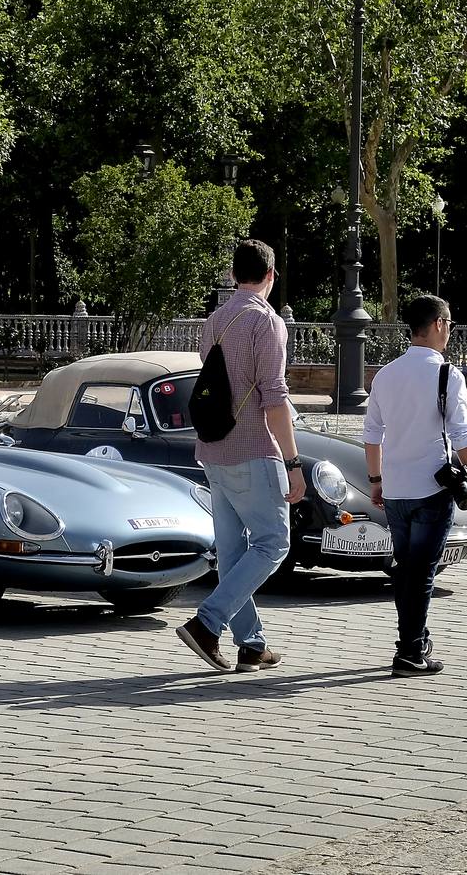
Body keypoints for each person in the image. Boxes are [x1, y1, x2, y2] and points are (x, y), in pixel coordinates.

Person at [176, 239, 306, 673]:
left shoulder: (214, 320)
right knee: (273, 543)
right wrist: (293, 463)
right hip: (254, 449)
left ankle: (252, 645)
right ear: (272, 275)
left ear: (233, 275)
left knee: (233, 553)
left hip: (212, 449)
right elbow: (274, 398)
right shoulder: (266, 322)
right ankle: (207, 623)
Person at [363, 294, 467, 677]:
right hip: (432, 488)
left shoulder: (386, 374)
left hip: (396, 488)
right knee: (422, 572)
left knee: (407, 569)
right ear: (437, 324)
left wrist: (376, 481)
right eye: (449, 323)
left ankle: (416, 639)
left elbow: (371, 434)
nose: (449, 330)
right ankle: (410, 651)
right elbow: (460, 431)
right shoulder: (448, 374)